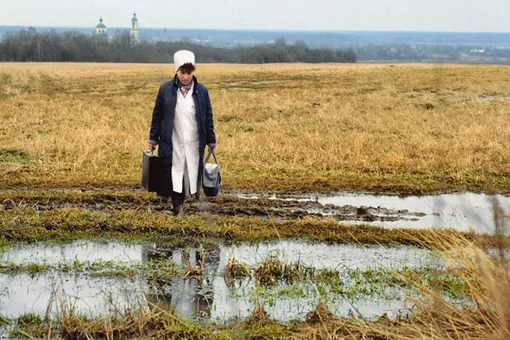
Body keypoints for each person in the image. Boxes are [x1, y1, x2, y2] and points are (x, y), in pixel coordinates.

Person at [147, 50, 217, 216]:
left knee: (190, 172)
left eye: (189, 73)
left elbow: (208, 116)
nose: (185, 77)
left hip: (194, 141)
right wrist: (153, 138)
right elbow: (157, 114)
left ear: (193, 73)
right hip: (173, 139)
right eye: (182, 73)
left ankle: (184, 202)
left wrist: (211, 141)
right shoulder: (165, 89)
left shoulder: (202, 91)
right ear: (176, 72)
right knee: (174, 172)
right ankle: (177, 206)